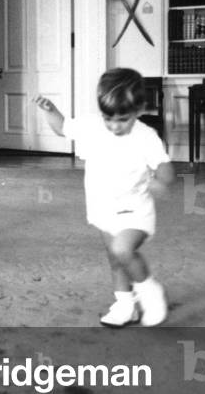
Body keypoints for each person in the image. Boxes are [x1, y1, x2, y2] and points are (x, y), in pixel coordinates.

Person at [35, 68, 174, 327]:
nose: (114, 126)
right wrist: (50, 110)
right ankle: (125, 305)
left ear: (139, 110)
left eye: (122, 119)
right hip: (103, 210)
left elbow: (166, 169)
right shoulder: (92, 126)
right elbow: (62, 127)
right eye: (108, 118)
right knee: (116, 259)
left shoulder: (146, 136)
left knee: (122, 249)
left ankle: (150, 292)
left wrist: (160, 182)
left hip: (136, 210)